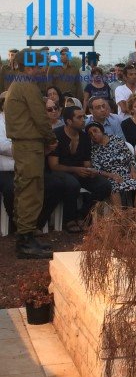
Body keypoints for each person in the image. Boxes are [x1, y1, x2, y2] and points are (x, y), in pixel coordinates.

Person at [4, 50, 58, 258]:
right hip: (29, 145)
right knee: (31, 191)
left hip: (24, 144)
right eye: (39, 65)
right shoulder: (27, 85)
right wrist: (51, 138)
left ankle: (25, 237)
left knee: (24, 189)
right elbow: (40, 117)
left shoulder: (18, 84)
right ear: (29, 66)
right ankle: (25, 242)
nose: (42, 69)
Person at [48, 106, 111, 231]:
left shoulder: (85, 137)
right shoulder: (56, 135)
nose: (83, 120)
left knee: (104, 185)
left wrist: (90, 171)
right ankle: (69, 220)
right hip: (59, 172)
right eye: (79, 117)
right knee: (73, 184)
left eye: (84, 117)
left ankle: (83, 214)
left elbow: (86, 163)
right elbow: (53, 165)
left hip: (79, 172)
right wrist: (76, 169)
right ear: (69, 121)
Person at [87, 121, 136, 211]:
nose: (93, 135)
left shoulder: (116, 140)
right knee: (112, 186)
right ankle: (119, 217)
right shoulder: (93, 148)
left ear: (102, 130)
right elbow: (97, 169)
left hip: (126, 173)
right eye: (90, 134)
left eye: (95, 131)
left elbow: (130, 158)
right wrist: (111, 175)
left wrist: (133, 171)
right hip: (108, 176)